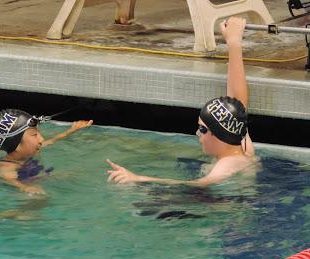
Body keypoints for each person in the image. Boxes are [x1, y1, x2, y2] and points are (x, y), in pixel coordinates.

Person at [107, 17, 255, 186]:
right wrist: (234, 43)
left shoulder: (226, 166)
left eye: (202, 129)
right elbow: (238, 102)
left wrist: (139, 179)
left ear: (218, 133)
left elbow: (198, 184)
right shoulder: (242, 148)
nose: (197, 134)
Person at [0, 108, 92, 194]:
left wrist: (71, 130)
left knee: (72, 175)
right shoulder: (7, 166)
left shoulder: (28, 150)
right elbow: (8, 178)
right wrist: (25, 188)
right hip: (12, 192)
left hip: (33, 177)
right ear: (16, 144)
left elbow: (51, 141)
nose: (41, 139)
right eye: (34, 135)